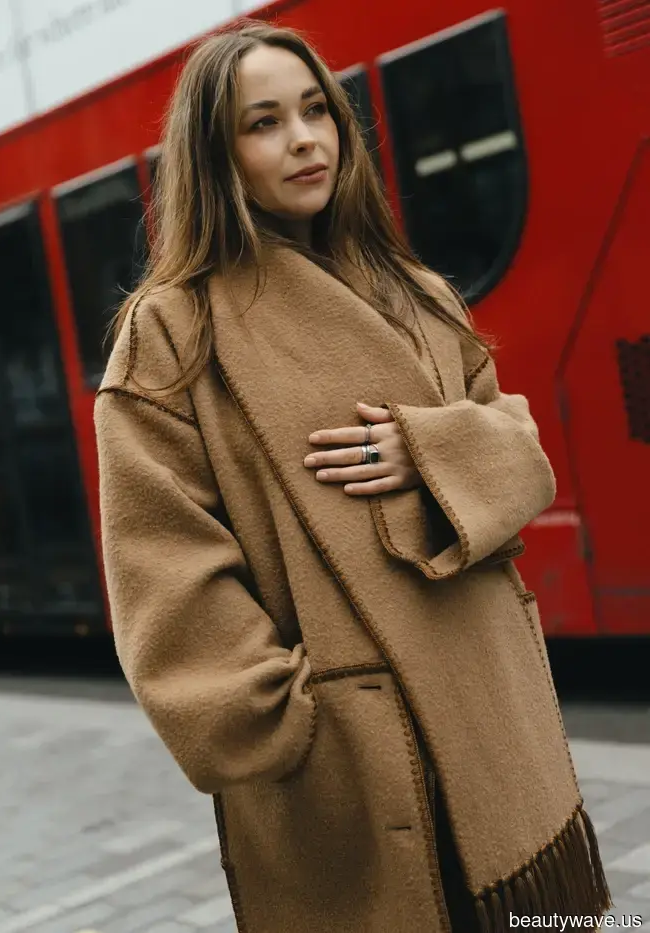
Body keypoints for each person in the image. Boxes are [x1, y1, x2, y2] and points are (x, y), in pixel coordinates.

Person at [94, 20, 611, 933]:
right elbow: (167, 582)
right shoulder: (171, 333)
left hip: (503, 739)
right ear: (214, 154)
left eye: (316, 111)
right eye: (263, 122)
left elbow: (521, 453)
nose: (304, 139)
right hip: (363, 776)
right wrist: (310, 724)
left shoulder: (414, 290)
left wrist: (431, 450)